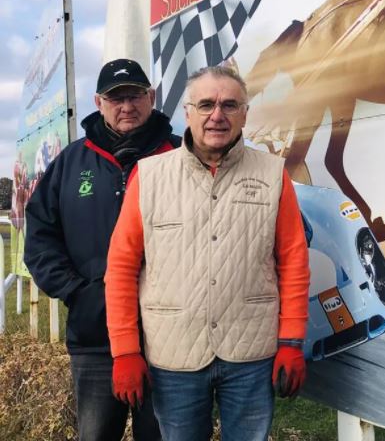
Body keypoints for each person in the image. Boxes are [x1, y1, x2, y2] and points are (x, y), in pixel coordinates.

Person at [105, 65, 310, 441]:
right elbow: (120, 268)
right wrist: (125, 352)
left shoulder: (272, 174)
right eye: (206, 105)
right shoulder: (148, 177)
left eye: (230, 105)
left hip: (251, 353)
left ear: (245, 113)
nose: (217, 115)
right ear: (188, 112)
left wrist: (291, 341)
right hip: (174, 354)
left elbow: (294, 261)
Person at [25, 58, 179, 441]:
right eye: (115, 98)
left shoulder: (180, 156)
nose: (126, 106)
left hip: (172, 339)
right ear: (98, 102)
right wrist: (79, 293)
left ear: (152, 97)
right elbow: (40, 235)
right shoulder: (71, 163)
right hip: (95, 339)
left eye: (135, 95)